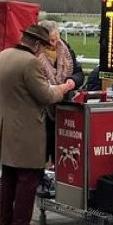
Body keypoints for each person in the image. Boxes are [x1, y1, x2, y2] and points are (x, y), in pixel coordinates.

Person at [0, 24, 75, 225]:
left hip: (5, 125)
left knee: (9, 176)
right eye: (43, 46)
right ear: (37, 43)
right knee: (28, 178)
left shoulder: (3, 55)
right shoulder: (30, 62)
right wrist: (64, 88)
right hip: (27, 129)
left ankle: (5, 224)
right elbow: (46, 95)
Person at [37, 20, 83, 168]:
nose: (55, 42)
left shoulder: (66, 50)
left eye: (57, 38)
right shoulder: (35, 55)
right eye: (51, 40)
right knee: (43, 146)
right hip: (43, 109)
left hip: (64, 107)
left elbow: (78, 72)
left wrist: (72, 81)